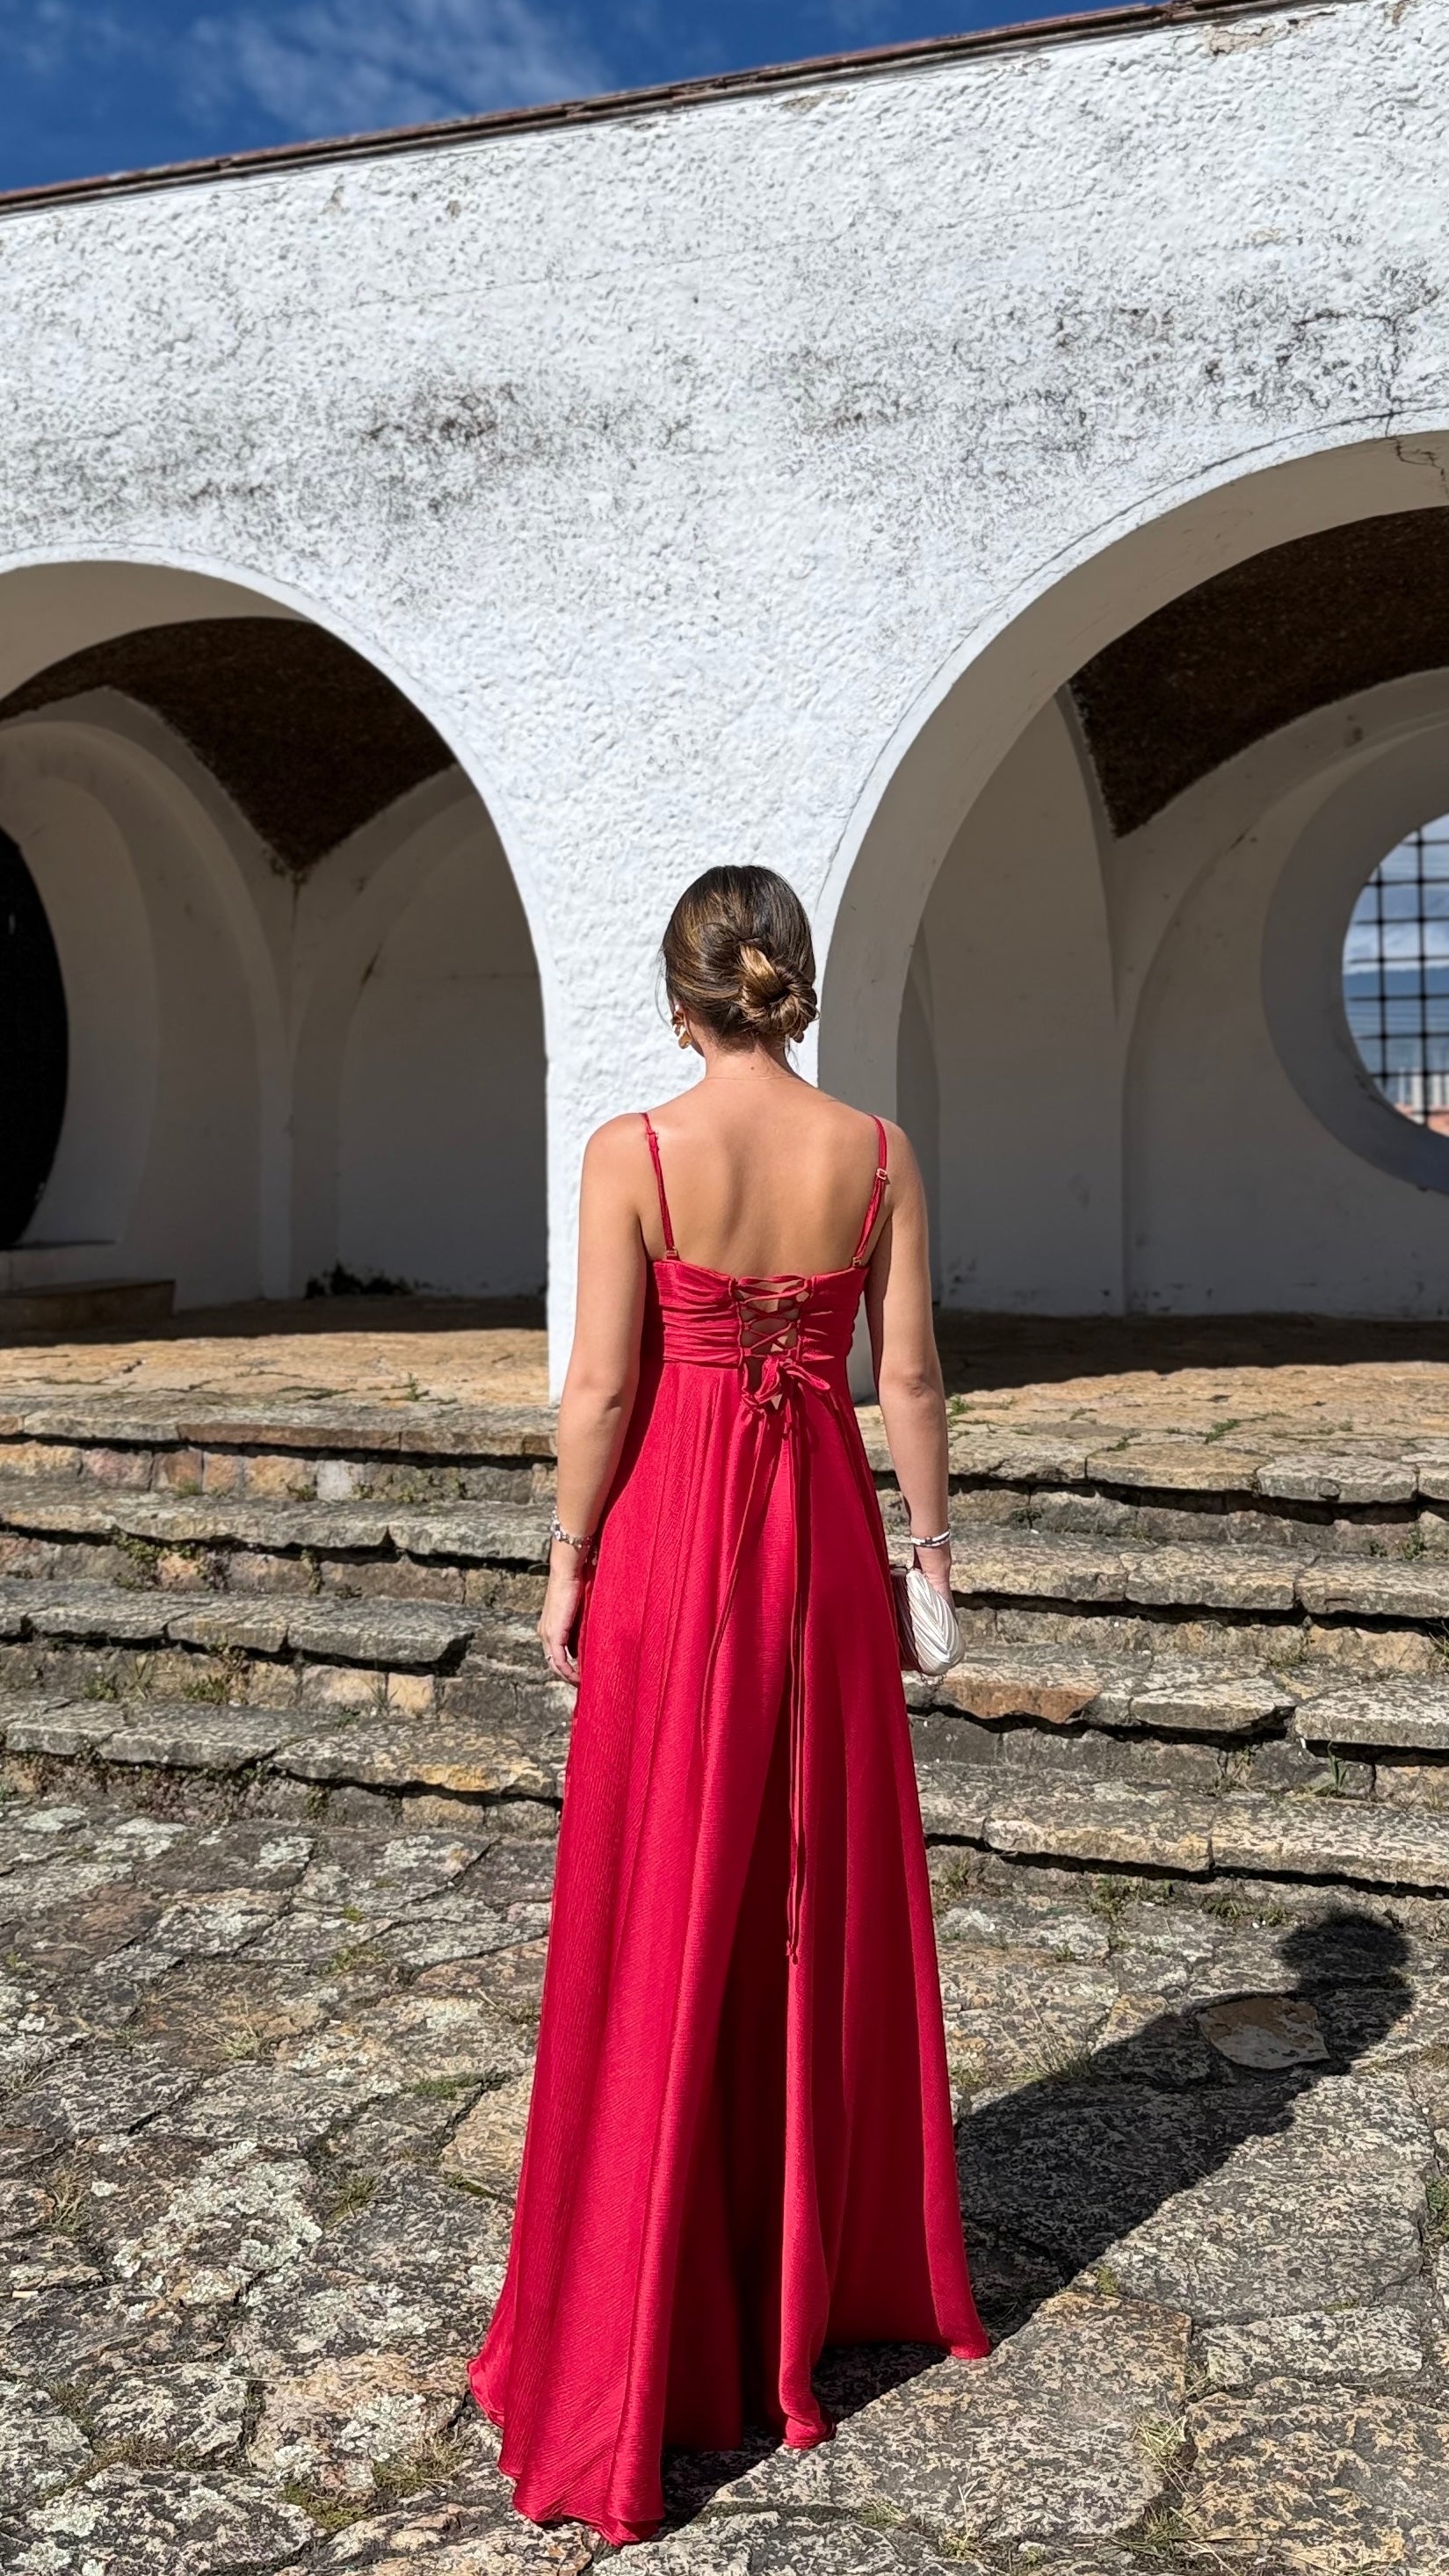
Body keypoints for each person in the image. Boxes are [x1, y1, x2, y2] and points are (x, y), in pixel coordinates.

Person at [469, 865, 989, 2544]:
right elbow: (901, 1375)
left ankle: (652, 2312)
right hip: (827, 1543)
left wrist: (563, 1566)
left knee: (663, 1899)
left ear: (677, 996)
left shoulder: (632, 1149)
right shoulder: (881, 1155)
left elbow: (605, 1383)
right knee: (806, 1896)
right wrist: (930, 1559)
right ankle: (809, 2279)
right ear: (797, 988)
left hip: (681, 1541)